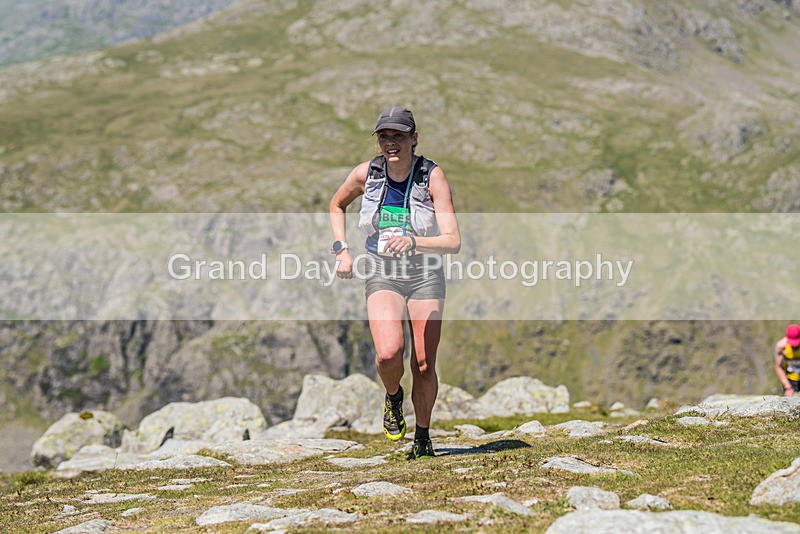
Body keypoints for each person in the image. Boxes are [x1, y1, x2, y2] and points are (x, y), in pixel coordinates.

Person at [329, 107, 460, 459]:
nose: (391, 143)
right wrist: (341, 249)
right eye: (384, 137)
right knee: (389, 354)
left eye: (399, 136)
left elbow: (453, 241)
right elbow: (336, 205)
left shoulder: (432, 177)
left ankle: (423, 436)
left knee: (422, 363)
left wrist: (415, 242)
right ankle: (393, 398)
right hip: (383, 271)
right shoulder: (366, 174)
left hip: (425, 273)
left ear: (414, 139)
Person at [774, 324, 800, 397]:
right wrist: (788, 387)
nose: (795, 346)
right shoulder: (781, 347)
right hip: (791, 380)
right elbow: (778, 367)